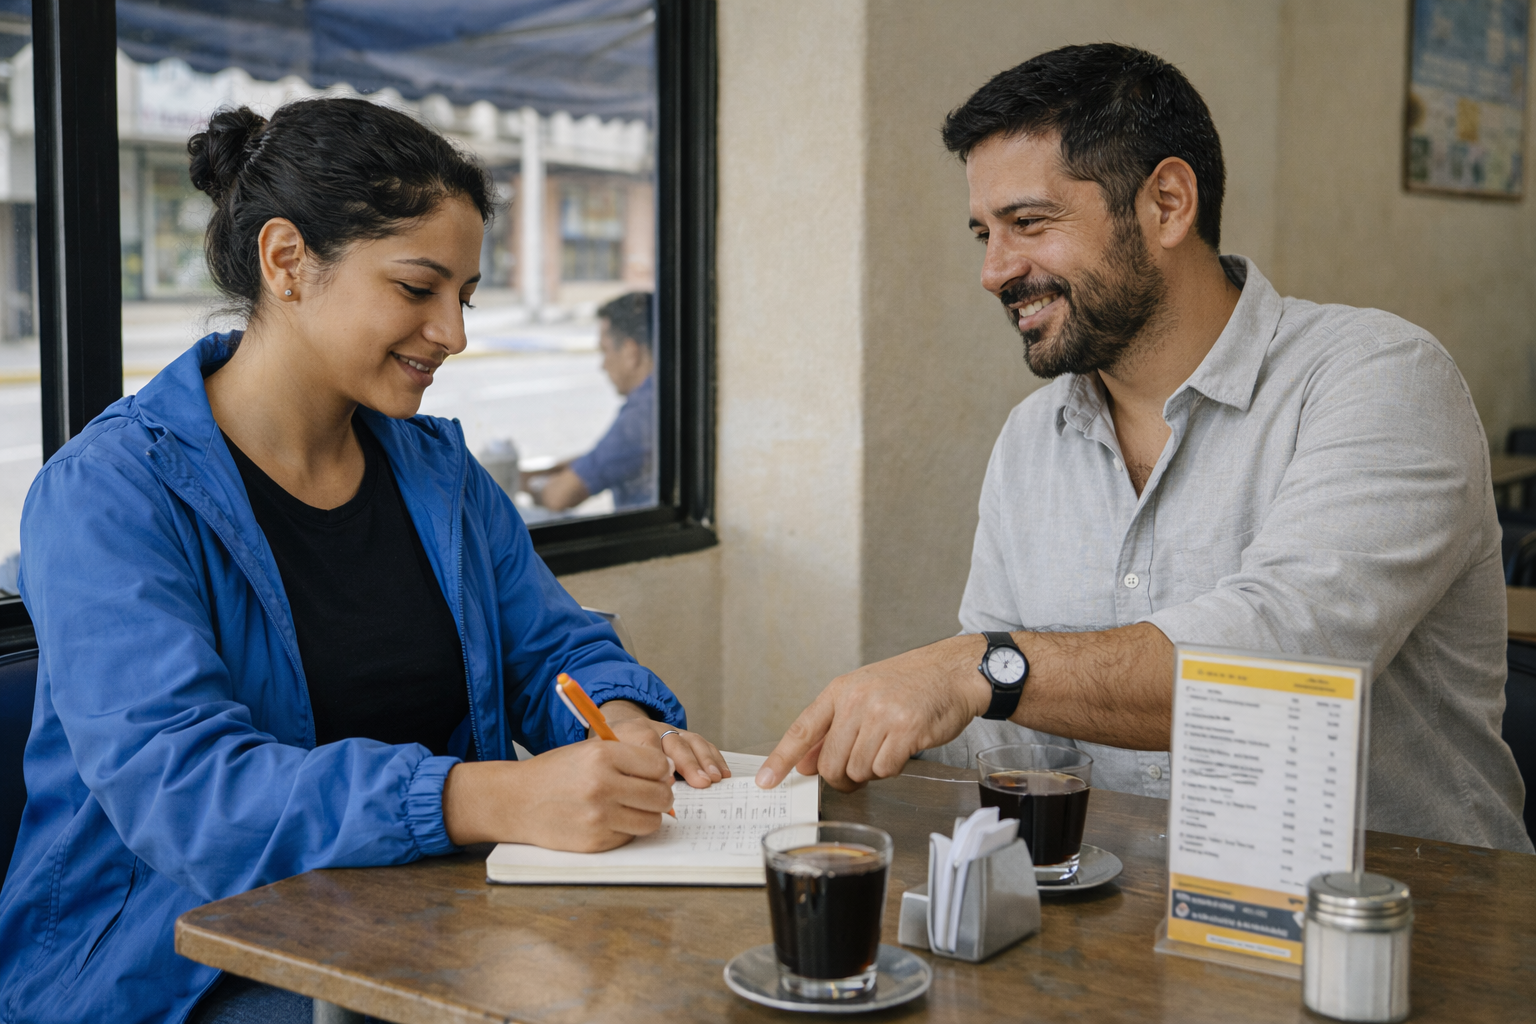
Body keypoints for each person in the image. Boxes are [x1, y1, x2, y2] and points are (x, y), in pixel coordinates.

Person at [0, 99, 727, 1024]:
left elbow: (549, 648)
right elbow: (188, 793)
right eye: (418, 289)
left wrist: (618, 719)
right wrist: (484, 797)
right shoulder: (106, 494)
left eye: (463, 296)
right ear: (287, 262)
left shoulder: (436, 470)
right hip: (177, 966)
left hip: (413, 923)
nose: (453, 333)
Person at [756, 43, 1532, 854]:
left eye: (1028, 223)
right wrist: (859, 744)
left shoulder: (1381, 377)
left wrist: (974, 670)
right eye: (984, 233)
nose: (993, 271)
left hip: (1414, 936)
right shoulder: (1031, 439)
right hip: (1130, 932)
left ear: (1166, 202)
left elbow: (1279, 660)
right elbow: (1010, 731)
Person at [526, 291, 657, 512]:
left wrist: (531, 487)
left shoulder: (645, 411)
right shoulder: (667, 394)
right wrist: (534, 474)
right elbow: (602, 457)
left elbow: (559, 497)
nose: (603, 365)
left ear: (630, 352)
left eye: (605, 351)